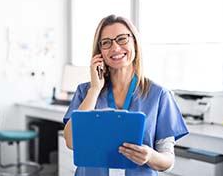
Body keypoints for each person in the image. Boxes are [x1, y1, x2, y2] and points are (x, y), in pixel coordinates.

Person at [63, 14, 189, 176]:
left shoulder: (159, 95)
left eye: (122, 39)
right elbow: (71, 141)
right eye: (106, 43)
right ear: (99, 51)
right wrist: (95, 90)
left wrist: (149, 156)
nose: (115, 48)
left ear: (135, 43)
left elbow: (168, 161)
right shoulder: (85, 92)